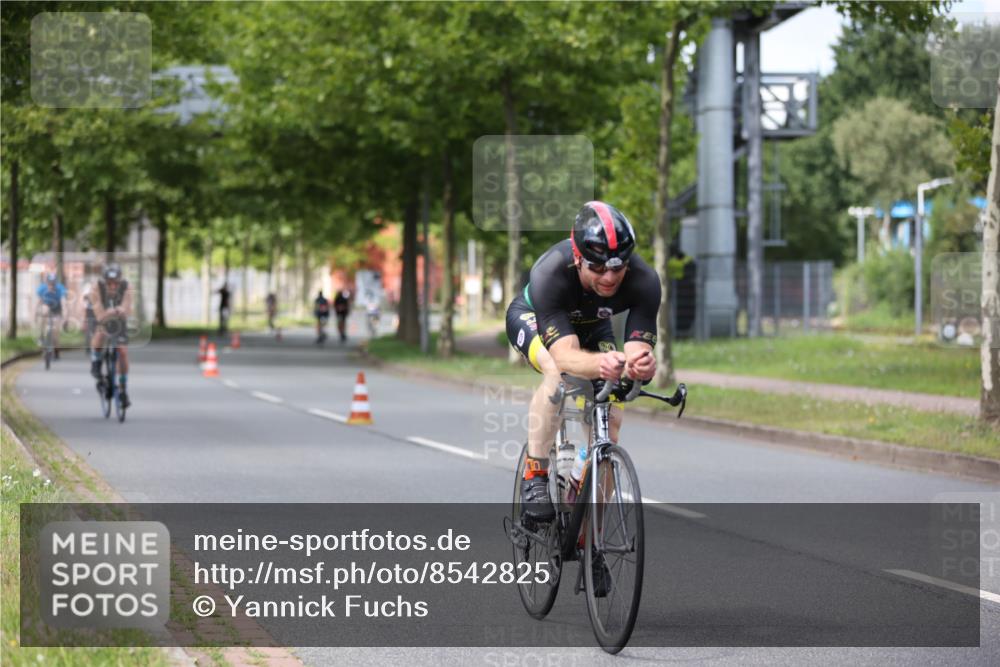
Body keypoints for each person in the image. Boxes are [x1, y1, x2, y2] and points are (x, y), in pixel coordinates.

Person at [505, 201, 660, 524]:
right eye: (599, 268)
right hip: (535, 319)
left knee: (611, 414)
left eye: (618, 268)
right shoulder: (551, 271)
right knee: (557, 373)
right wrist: (601, 363)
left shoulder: (644, 280)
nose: (609, 277)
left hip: (593, 327)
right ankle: (535, 473)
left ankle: (592, 539)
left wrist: (640, 365)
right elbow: (564, 355)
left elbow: (637, 349)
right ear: (578, 259)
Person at [90, 264, 133, 408]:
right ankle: (96, 362)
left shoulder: (126, 286)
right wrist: (107, 313)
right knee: (100, 332)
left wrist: (122, 309)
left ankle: (122, 389)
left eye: (116, 283)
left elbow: (127, 308)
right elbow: (99, 314)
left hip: (119, 322)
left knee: (122, 352)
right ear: (104, 281)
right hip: (102, 318)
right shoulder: (96, 288)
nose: (113, 286)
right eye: (109, 283)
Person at [36, 272, 67, 358]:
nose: (51, 286)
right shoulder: (42, 289)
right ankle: (41, 335)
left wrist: (65, 316)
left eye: (53, 283)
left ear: (55, 283)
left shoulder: (60, 289)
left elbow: (63, 303)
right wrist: (35, 314)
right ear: (47, 282)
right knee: (45, 309)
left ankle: (56, 350)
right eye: (49, 283)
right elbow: (38, 303)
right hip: (46, 308)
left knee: (55, 332)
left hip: (57, 309)